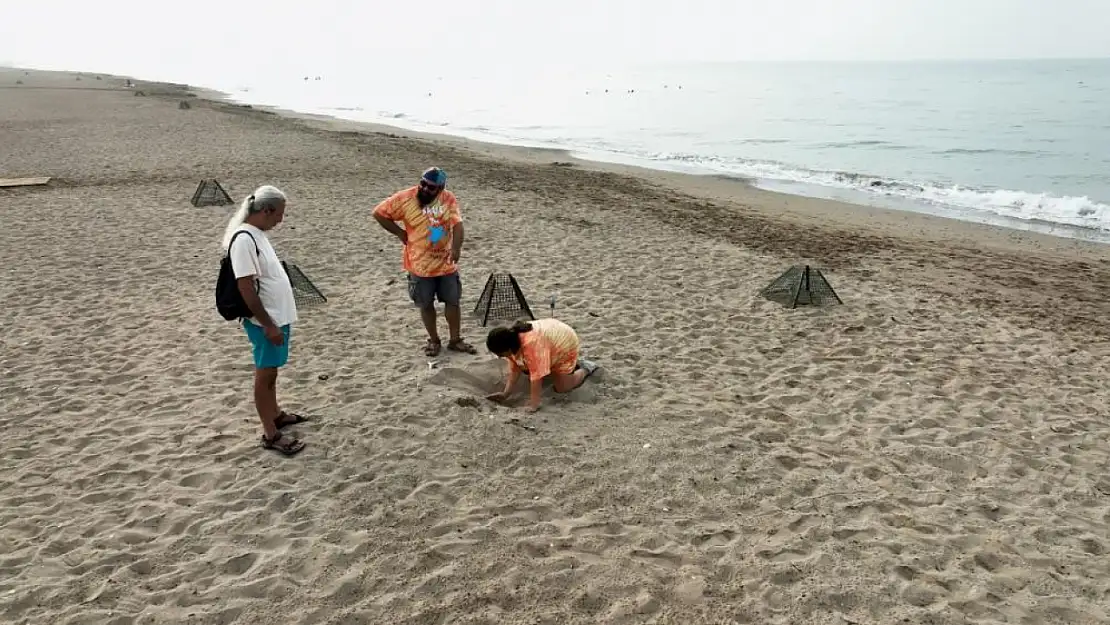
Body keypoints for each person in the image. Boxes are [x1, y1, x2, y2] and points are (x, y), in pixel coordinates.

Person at [224, 184, 306, 456]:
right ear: (266, 210)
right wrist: (268, 325)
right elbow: (245, 287)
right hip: (265, 321)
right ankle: (270, 433)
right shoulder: (244, 239)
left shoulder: (257, 234)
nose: (281, 220)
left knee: (272, 372)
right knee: (265, 374)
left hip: (276, 317)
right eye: (279, 214)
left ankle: (276, 414)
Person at [373, 167, 477, 356]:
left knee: (453, 302)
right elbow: (379, 213)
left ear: (441, 188)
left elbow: (458, 224)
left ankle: (455, 340)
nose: (425, 189)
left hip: (446, 264)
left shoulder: (448, 198)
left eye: (431, 187)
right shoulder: (405, 198)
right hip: (419, 266)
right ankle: (434, 340)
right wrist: (399, 232)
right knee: (426, 304)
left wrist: (456, 248)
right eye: (423, 184)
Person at [484, 319, 599, 413]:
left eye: (500, 354)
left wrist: (534, 404)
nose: (499, 357)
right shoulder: (511, 342)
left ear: (507, 348)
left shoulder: (531, 345)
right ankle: (552, 365)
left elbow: (536, 377)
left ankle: (585, 368)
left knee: (563, 387)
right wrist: (505, 394)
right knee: (528, 366)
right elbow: (515, 370)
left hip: (565, 343)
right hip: (549, 340)